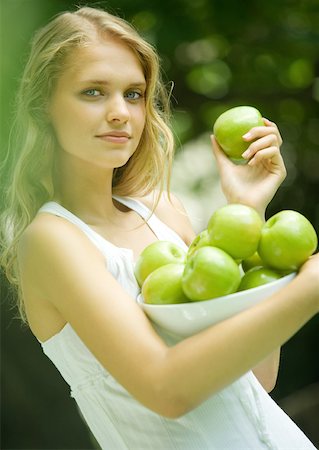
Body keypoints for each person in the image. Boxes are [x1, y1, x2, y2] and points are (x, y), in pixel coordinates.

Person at [0, 6, 318, 450]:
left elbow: (258, 377)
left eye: (133, 94)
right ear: (44, 106)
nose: (120, 113)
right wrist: (309, 289)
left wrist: (248, 212)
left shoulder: (162, 211)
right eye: (93, 92)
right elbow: (167, 389)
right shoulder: (52, 241)